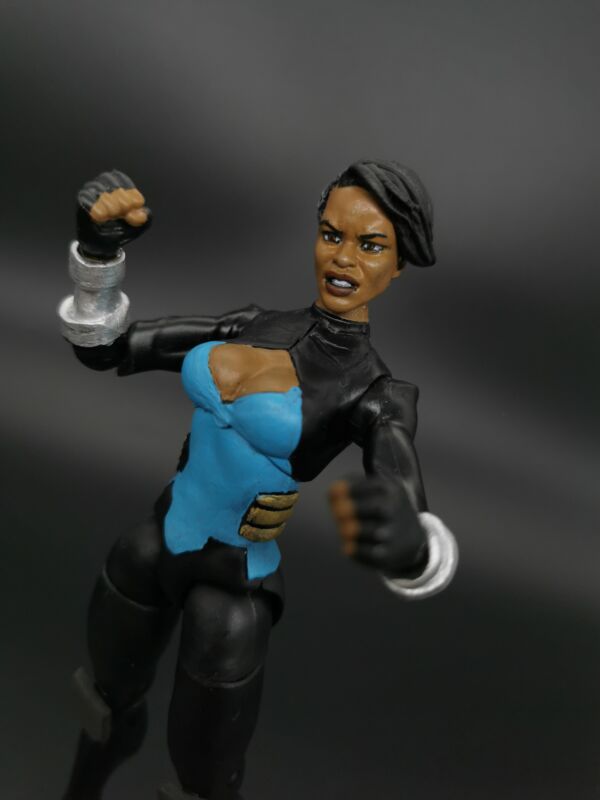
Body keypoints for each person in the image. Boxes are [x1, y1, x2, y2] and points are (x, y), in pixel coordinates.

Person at [58, 160, 458, 800]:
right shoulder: (251, 324)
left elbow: (398, 476)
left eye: (370, 244)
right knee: (101, 706)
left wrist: (415, 547)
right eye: (331, 234)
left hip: (233, 586)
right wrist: (98, 257)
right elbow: (106, 348)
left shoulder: (374, 393)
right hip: (156, 543)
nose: (343, 258)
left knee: (203, 782)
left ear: (399, 264)